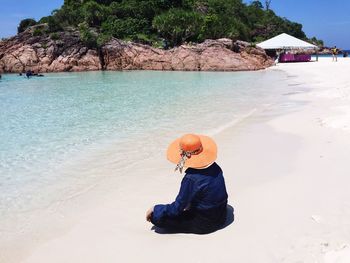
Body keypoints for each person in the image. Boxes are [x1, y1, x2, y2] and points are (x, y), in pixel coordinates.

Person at [146, 134, 229, 234]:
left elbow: (177, 208)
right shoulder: (215, 167)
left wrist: (155, 208)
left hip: (206, 223)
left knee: (157, 218)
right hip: (222, 214)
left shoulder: (191, 178)